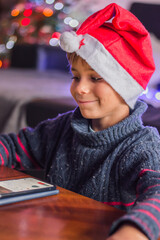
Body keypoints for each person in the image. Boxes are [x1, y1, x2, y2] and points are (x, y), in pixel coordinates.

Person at [0, 3, 160, 240]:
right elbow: (14, 146)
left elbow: (156, 193)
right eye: (76, 77)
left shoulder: (141, 145)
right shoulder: (62, 127)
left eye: (95, 78)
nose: (80, 88)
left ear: (125, 86)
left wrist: (136, 230)